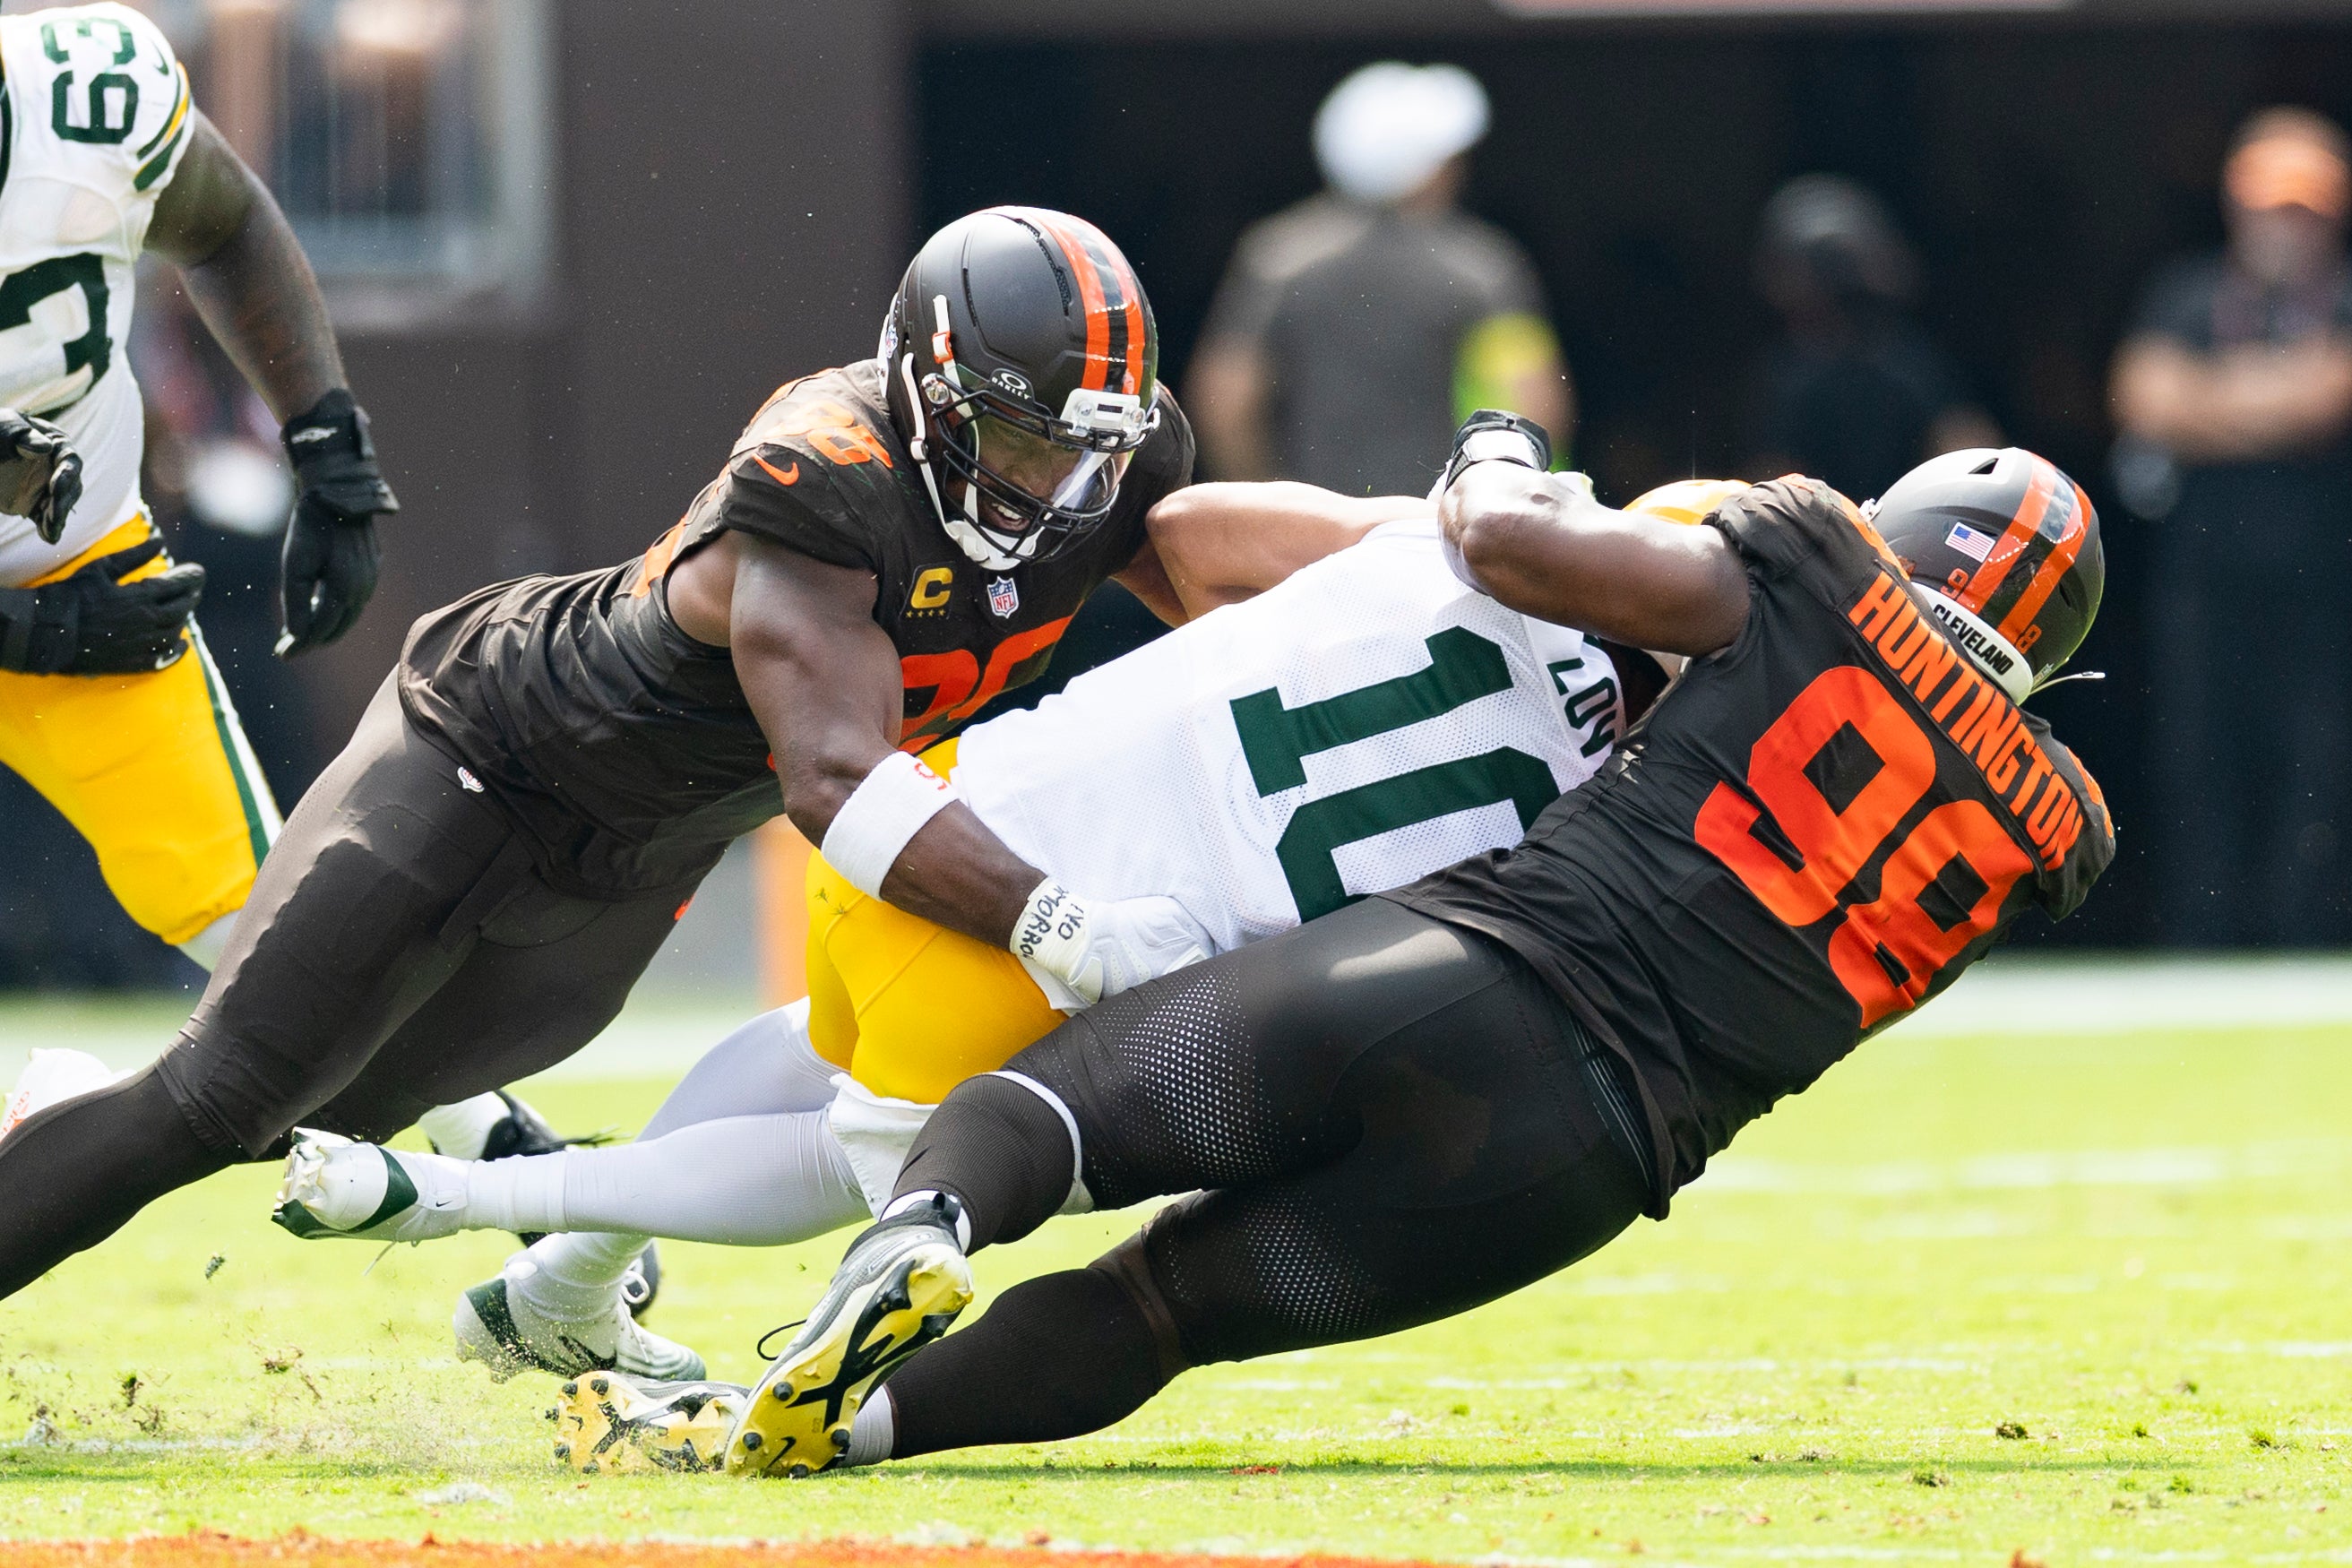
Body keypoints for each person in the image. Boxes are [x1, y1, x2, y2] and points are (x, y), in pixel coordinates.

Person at [572, 423, 2113, 1478]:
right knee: (1158, 1316)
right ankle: (838, 1440)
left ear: (1889, 538)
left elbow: (1508, 539)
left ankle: (921, 1237)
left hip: (1457, 974)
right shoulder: (2059, 835)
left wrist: (1501, 440)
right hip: (1590, 1163)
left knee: (1060, 1102)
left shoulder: (1798, 574)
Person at [0, 206, 1308, 1385]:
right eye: (1016, 441)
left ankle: (59, 1114)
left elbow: (1211, 586)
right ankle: (89, 1121)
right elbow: (837, 780)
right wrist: (1063, 924)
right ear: (923, 388)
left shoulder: (1113, 458)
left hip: (631, 857)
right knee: (219, 1095)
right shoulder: (826, 471)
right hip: (483, 750)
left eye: (1079, 450)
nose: (1051, 486)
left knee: (320, 1115)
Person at [270, 474, 1708, 1392]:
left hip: (951, 807)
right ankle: (469, 1198)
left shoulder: (1429, 540)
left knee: (812, 1041)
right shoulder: (1613, 802)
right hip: (1054, 933)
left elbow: (1191, 537)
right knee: (872, 1162)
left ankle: (559, 1292)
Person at [0, 3, 395, 974]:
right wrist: (34, 633)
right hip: (63, 602)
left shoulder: (81, 95)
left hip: (76, 558)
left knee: (268, 946)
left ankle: (489, 1134)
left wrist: (330, 452)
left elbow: (224, 223)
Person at [2110, 108, 2352, 946]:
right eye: (2268, 204)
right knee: (2199, 763)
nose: (2283, 225)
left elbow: (2332, 397)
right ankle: (2199, 943)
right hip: (2203, 584)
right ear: (2235, 205)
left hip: (2324, 586)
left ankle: (2306, 943)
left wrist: (2209, 403)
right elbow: (2144, 401)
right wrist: (2280, 402)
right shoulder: (2184, 290)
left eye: (2303, 208)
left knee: (2318, 769)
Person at [1189, 62, 1571, 495]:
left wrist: (1274, 501)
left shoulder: (1278, 258)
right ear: (1420, 167)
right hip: (1435, 529)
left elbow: (1225, 403)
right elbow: (1536, 403)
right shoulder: (1480, 267)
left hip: (1316, 529)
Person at [1747, 175, 2001, 503]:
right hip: (1818, 540)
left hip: (1906, 538)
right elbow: (1771, 492)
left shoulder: (1908, 364)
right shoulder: (1789, 377)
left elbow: (1975, 463)